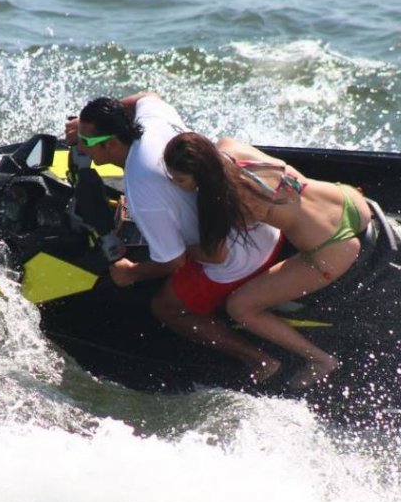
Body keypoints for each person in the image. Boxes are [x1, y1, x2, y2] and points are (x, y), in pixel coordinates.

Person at [67, 92, 282, 383]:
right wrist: (85, 124)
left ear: (113, 143)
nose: (79, 145)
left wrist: (130, 273)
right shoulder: (149, 121)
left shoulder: (141, 186)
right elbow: (147, 95)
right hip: (264, 223)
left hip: (242, 254)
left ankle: (259, 360)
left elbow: (173, 262)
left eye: (86, 141)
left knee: (166, 307)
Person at [163, 132, 373, 389]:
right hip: (348, 201)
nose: (174, 183)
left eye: (180, 179)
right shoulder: (229, 146)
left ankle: (321, 360)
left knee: (240, 307)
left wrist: (180, 250)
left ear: (201, 176)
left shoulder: (227, 199)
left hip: (331, 251)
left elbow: (216, 255)